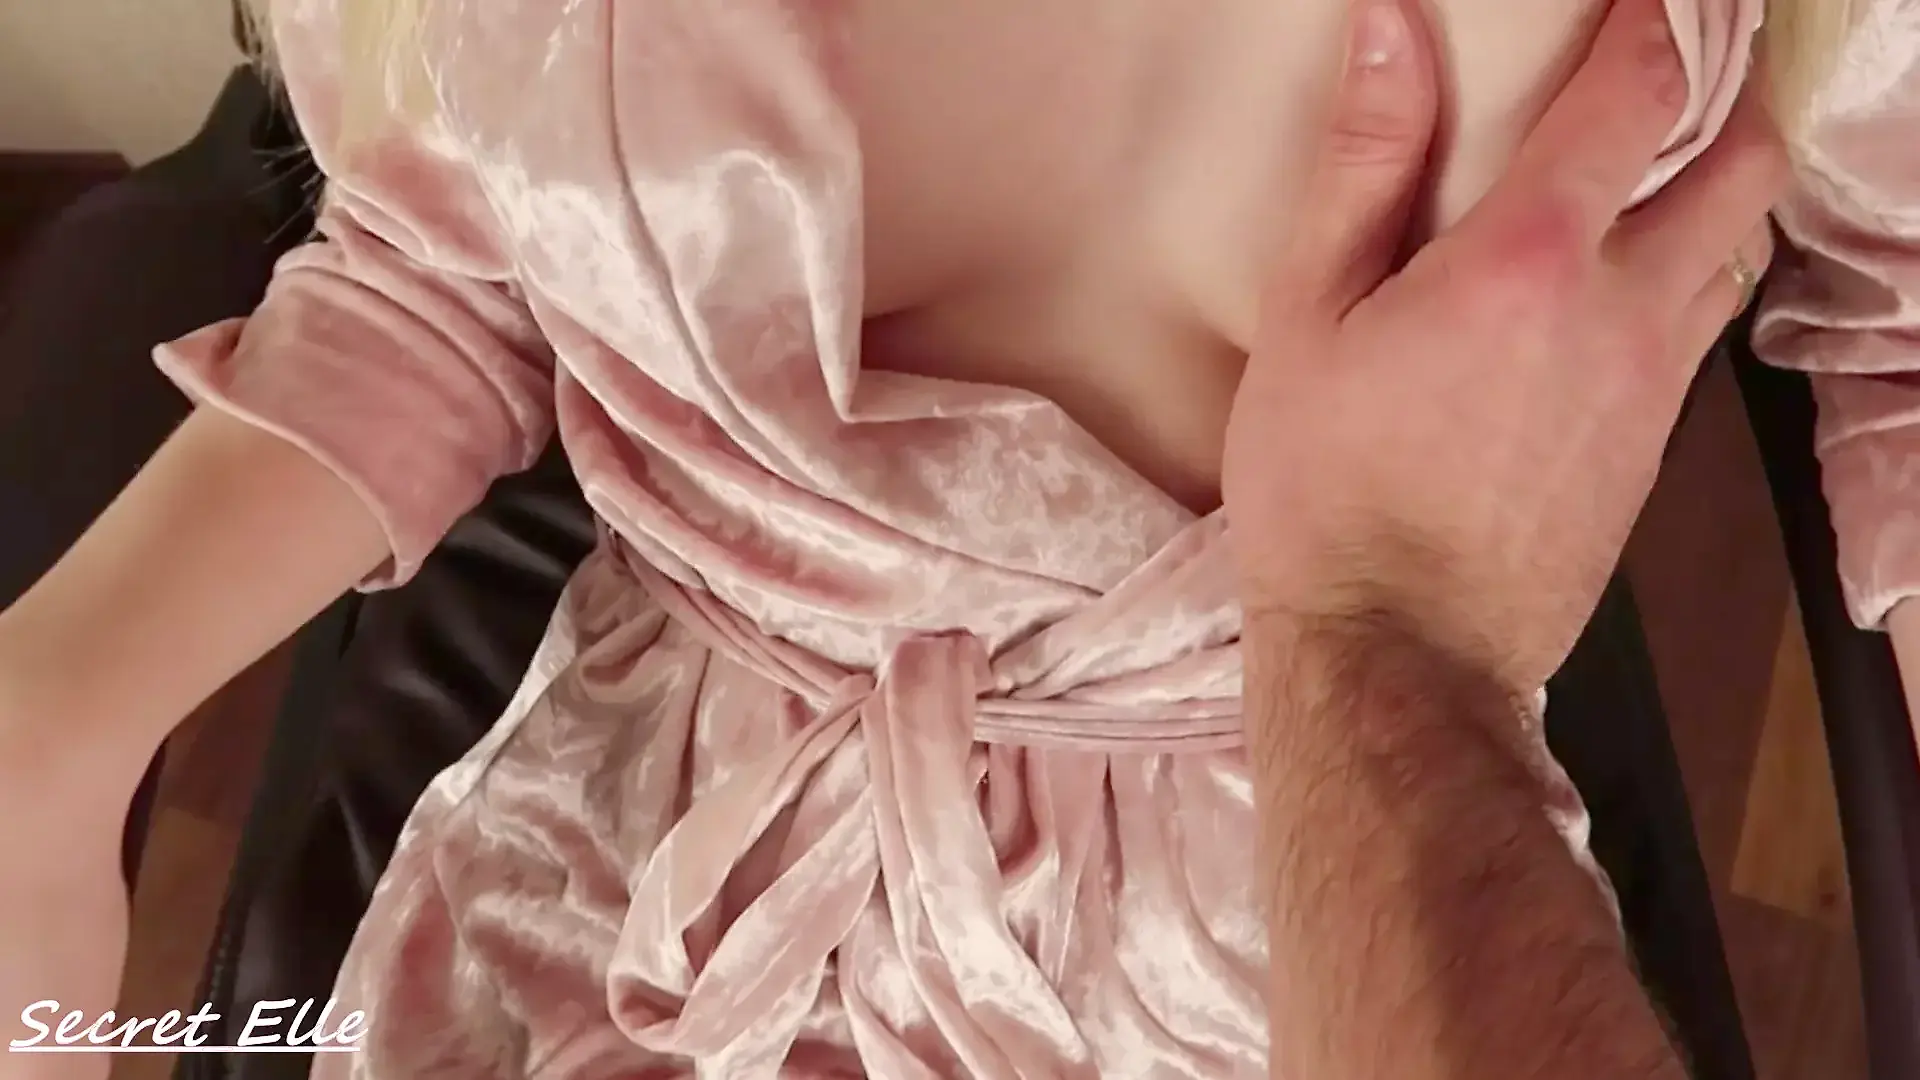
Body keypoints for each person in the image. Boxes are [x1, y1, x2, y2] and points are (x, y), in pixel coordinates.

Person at [0, 0, 1910, 1076]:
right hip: (641, 895)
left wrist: (1386, 624)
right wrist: (53, 720)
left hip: (1349, 904)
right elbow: (455, 253)